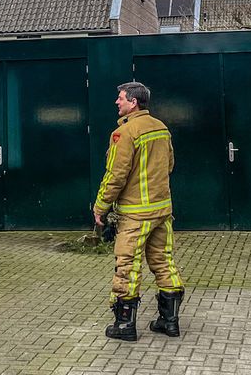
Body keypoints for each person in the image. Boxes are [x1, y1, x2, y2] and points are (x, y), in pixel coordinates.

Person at [92, 82, 185, 341]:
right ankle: (169, 322)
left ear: (133, 102)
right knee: (164, 262)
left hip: (135, 214)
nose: (117, 102)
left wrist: (100, 206)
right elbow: (169, 164)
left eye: (120, 98)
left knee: (127, 267)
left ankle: (125, 326)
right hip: (162, 210)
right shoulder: (161, 128)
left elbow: (115, 175)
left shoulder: (124, 133)